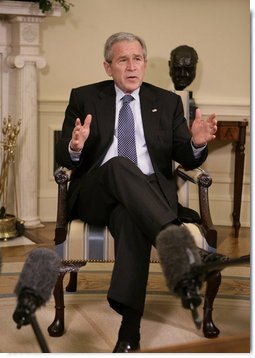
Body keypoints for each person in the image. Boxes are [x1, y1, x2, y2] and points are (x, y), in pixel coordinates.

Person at [56, 32, 217, 352]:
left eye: (138, 59)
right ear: (108, 67)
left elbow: (186, 156)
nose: (131, 66)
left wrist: (196, 143)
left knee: (131, 221)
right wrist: (74, 147)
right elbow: (64, 154)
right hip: (96, 193)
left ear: (145, 64)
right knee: (117, 165)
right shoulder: (84, 97)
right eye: (122, 60)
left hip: (146, 198)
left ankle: (129, 333)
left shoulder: (166, 102)